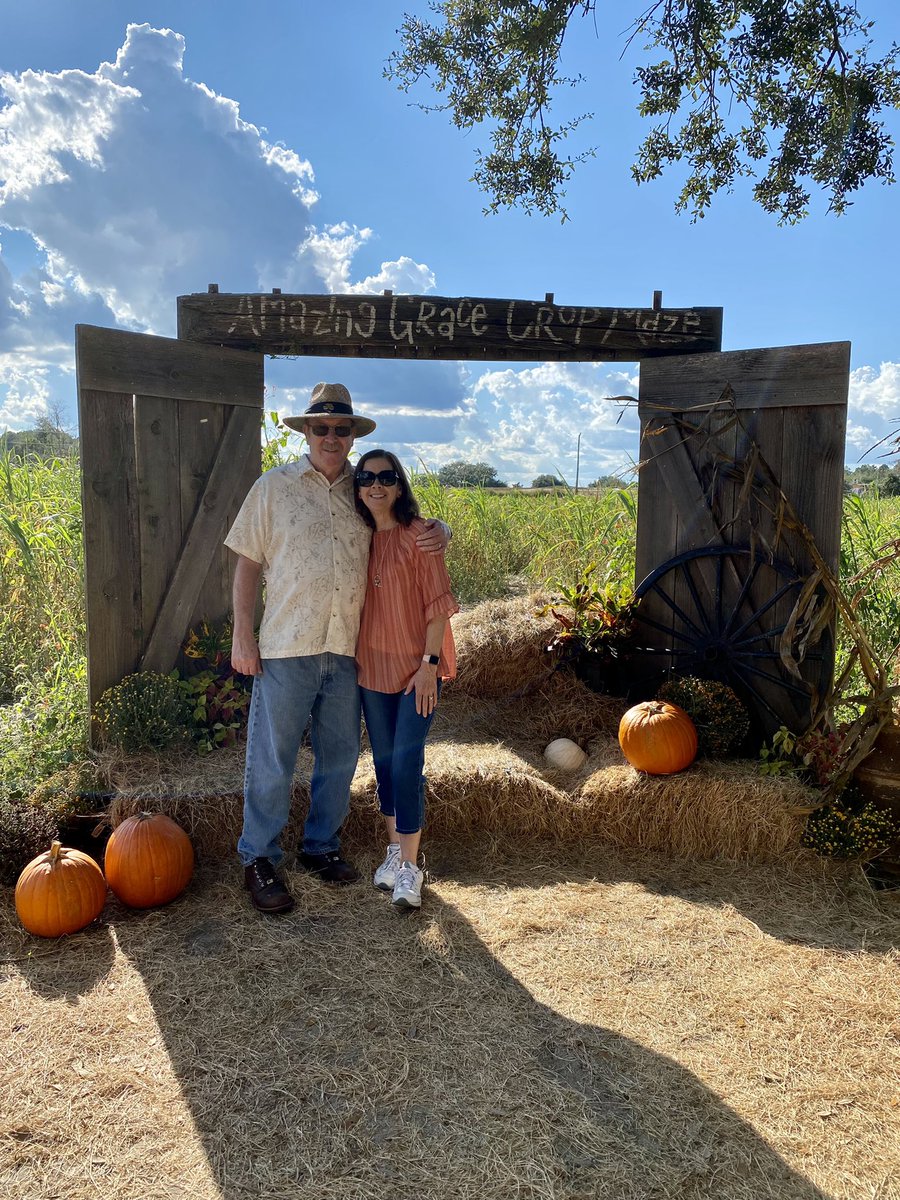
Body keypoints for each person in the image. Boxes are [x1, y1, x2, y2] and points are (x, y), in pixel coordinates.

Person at [224, 383, 449, 914]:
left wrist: (441, 529)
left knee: (341, 756)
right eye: (321, 427)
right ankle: (259, 857)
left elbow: (404, 530)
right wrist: (242, 634)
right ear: (306, 432)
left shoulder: (364, 490)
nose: (331, 436)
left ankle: (320, 845)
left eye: (341, 429)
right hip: (286, 646)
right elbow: (247, 564)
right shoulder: (272, 488)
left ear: (352, 436)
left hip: (349, 651)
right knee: (273, 758)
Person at [353, 448, 458, 910]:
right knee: (383, 764)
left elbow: (438, 606)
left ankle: (412, 869)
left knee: (406, 762)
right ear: (358, 487)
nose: (376, 485)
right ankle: (394, 851)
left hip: (418, 671)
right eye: (366, 477)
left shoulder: (421, 537)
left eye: (386, 477)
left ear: (399, 486)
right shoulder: (357, 537)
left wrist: (429, 665)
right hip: (371, 669)